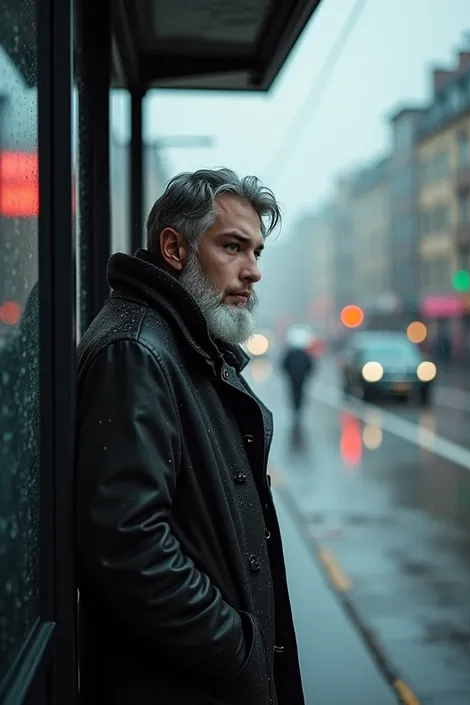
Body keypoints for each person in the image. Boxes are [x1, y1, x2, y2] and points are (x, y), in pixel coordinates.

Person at [75, 168, 305, 705]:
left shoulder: (178, 341)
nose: (253, 272)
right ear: (175, 248)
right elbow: (125, 543)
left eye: (258, 252)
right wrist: (236, 647)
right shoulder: (137, 350)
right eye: (232, 247)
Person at [281, 325, 315, 424]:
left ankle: (297, 408)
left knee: (295, 392)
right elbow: (310, 365)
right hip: (299, 377)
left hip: (295, 377)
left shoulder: (291, 353)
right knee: (299, 392)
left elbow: (284, 364)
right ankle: (297, 408)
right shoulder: (302, 354)